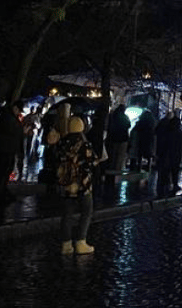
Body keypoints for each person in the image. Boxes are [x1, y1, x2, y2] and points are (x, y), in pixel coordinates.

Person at [55, 116, 100, 254]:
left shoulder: (62, 142)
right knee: (87, 211)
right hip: (82, 184)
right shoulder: (83, 143)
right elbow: (91, 162)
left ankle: (66, 244)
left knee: (67, 214)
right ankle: (81, 241)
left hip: (67, 184)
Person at [0, 100, 25, 202]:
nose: (19, 112)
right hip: (6, 148)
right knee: (3, 170)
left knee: (5, 170)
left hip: (8, 147)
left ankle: (1, 190)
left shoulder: (8, 117)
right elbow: (12, 131)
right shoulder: (7, 118)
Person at [155, 109, 182, 197]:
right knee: (174, 170)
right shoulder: (179, 133)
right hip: (175, 155)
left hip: (165, 154)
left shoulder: (166, 130)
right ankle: (172, 185)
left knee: (164, 171)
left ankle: (162, 187)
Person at [106, 104, 131, 175]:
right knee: (120, 156)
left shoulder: (113, 116)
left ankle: (111, 169)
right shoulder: (125, 117)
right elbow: (129, 125)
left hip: (113, 138)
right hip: (123, 139)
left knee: (112, 155)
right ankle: (117, 171)